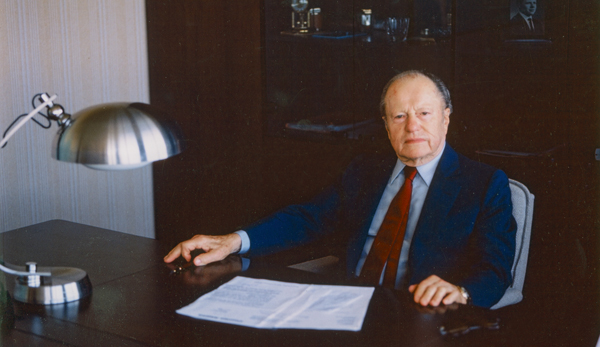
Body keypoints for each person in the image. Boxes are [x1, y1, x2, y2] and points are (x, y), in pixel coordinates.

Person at [165, 71, 516, 308]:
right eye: (399, 117)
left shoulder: (483, 184)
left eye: (424, 113)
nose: (412, 127)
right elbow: (308, 218)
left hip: (419, 316)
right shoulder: (365, 171)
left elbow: (496, 270)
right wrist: (233, 240)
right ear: (385, 124)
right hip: (346, 306)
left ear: (446, 117)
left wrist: (461, 291)